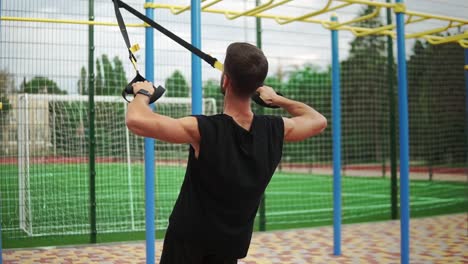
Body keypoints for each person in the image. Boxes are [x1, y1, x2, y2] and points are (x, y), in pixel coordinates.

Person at [126, 42, 327, 264]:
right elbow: (318, 121)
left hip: (187, 244)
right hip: (229, 247)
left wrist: (143, 93)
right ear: (258, 86)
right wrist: (276, 98)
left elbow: (136, 120)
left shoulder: (203, 129)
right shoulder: (276, 129)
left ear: (225, 80)